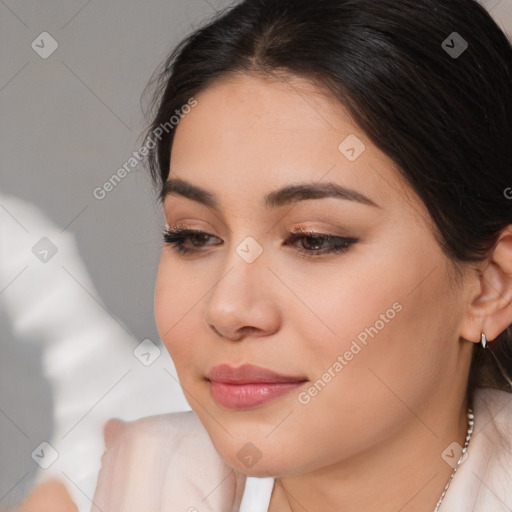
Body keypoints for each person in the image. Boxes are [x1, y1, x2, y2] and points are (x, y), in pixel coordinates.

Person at [21, 0, 512, 510]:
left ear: (490, 285)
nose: (227, 310)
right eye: (193, 235)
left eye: (314, 239)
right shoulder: (121, 483)